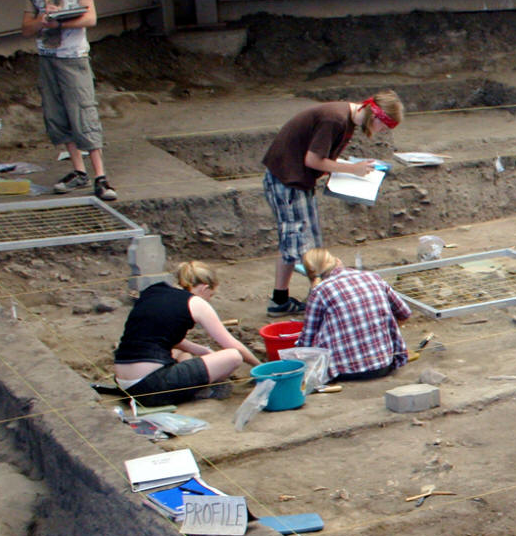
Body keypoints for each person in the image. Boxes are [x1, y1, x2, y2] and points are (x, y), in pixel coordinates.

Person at [261, 91, 404, 316]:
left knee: (304, 240)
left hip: (298, 179)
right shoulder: (334, 119)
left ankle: (282, 299)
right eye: (384, 127)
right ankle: (319, 299)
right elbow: (313, 159)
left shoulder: (345, 120)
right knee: (299, 243)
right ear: (376, 116)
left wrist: (346, 168)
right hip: (287, 179)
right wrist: (351, 170)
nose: (382, 133)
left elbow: (322, 157)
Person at [21, 0, 116, 202]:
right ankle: (78, 169)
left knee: (83, 110)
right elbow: (26, 27)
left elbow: (90, 17)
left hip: (73, 55)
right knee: (57, 112)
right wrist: (42, 20)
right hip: (48, 56)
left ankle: (100, 175)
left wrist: (59, 23)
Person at [111, 261, 260, 408]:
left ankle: (190, 386)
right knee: (233, 356)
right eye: (211, 295)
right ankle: (202, 391)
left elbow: (161, 334)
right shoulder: (196, 303)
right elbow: (231, 344)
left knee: (182, 352)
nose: (209, 299)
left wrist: (201, 350)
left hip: (124, 384)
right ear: (204, 288)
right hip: (149, 388)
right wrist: (259, 367)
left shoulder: (153, 291)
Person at [298, 248, 411, 382]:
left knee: (324, 331)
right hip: (383, 365)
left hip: (342, 372)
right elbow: (405, 313)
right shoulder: (372, 277)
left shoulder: (319, 291)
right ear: (337, 261)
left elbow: (307, 341)